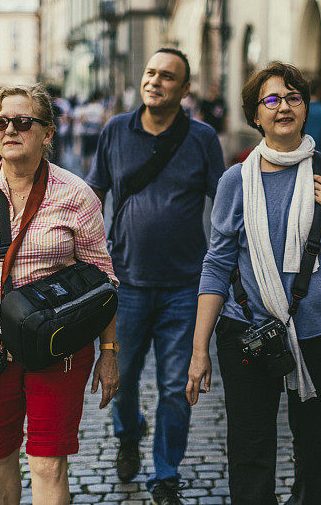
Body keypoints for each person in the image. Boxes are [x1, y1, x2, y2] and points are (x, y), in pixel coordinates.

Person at [186, 62, 321, 504]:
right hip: (248, 333)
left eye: (293, 97)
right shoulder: (236, 181)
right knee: (250, 452)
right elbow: (216, 265)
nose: (284, 106)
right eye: (271, 99)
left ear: (306, 108)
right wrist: (199, 351)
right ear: (256, 115)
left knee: (315, 448)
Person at [0, 84, 119, 504]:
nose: (9, 130)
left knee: (49, 464)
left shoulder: (75, 194)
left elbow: (104, 279)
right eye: (1, 122)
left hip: (59, 348)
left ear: (48, 133)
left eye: (23, 122)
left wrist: (109, 350)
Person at [85, 47, 225, 504]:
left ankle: (165, 473)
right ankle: (128, 434)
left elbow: (225, 209)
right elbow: (92, 195)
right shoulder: (115, 131)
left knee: (174, 386)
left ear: (185, 90)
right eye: (150, 72)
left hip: (186, 286)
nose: (155, 81)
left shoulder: (202, 138)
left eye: (168, 77)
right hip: (124, 284)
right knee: (119, 377)